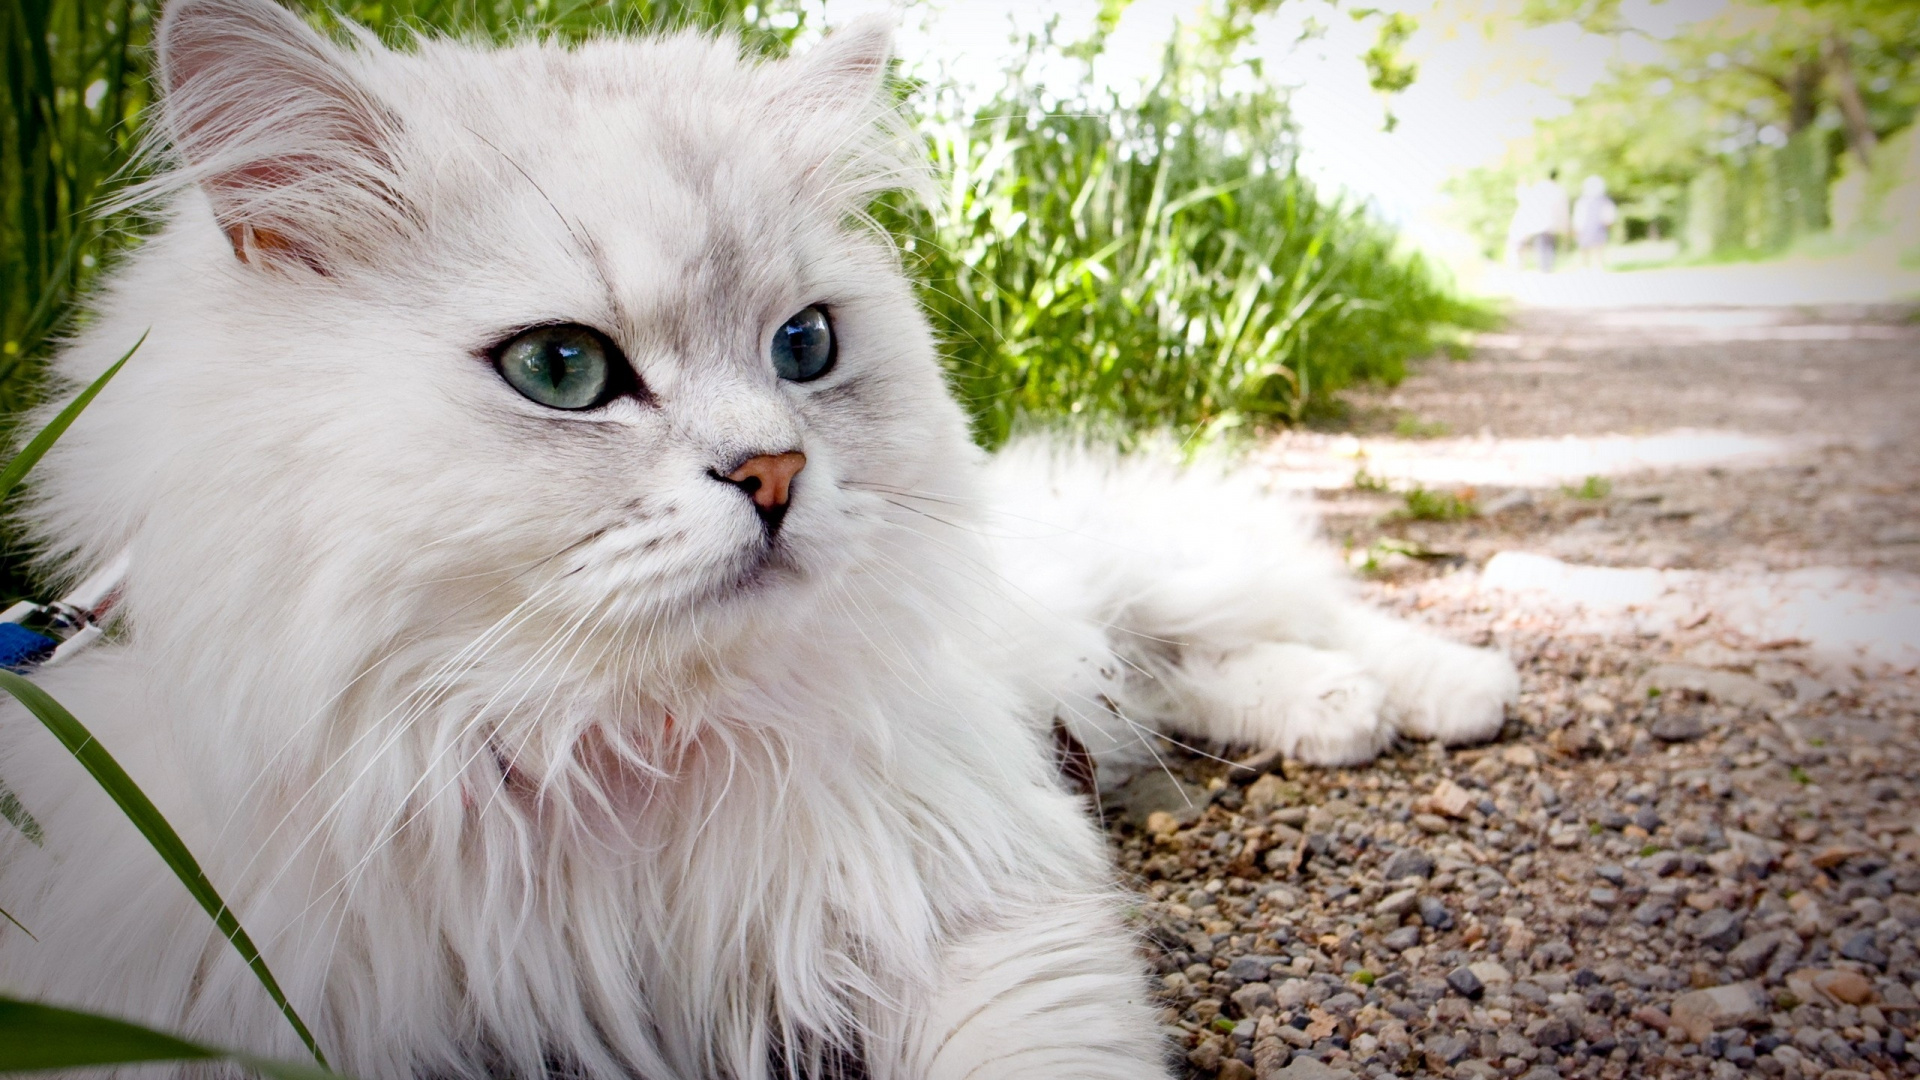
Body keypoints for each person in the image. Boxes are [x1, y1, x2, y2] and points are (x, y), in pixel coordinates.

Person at [1507, 169, 1570, 272]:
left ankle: (1544, 268)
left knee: (1542, 246)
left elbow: (1528, 200)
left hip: (1540, 223)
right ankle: (1547, 268)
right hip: (1551, 225)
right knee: (1549, 245)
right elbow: (1563, 211)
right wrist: (1564, 226)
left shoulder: (1541, 187)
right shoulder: (1559, 190)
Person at [1572, 175, 1618, 269]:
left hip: (1593, 227)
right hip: (1593, 227)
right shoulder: (1601, 201)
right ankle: (1590, 266)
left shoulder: (1585, 201)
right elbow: (1609, 215)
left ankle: (1591, 266)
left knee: (1590, 248)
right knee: (1592, 248)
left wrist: (1576, 227)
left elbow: (1578, 217)